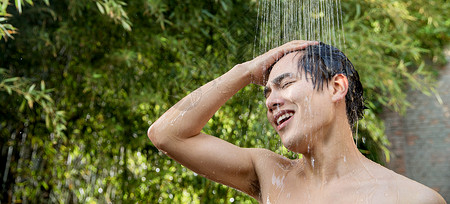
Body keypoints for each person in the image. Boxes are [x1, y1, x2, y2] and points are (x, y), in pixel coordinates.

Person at [148, 40, 446, 203]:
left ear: (336, 87)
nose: (270, 101)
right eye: (267, 92)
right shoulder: (269, 174)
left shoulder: (411, 199)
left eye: (286, 84)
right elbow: (167, 134)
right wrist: (245, 71)